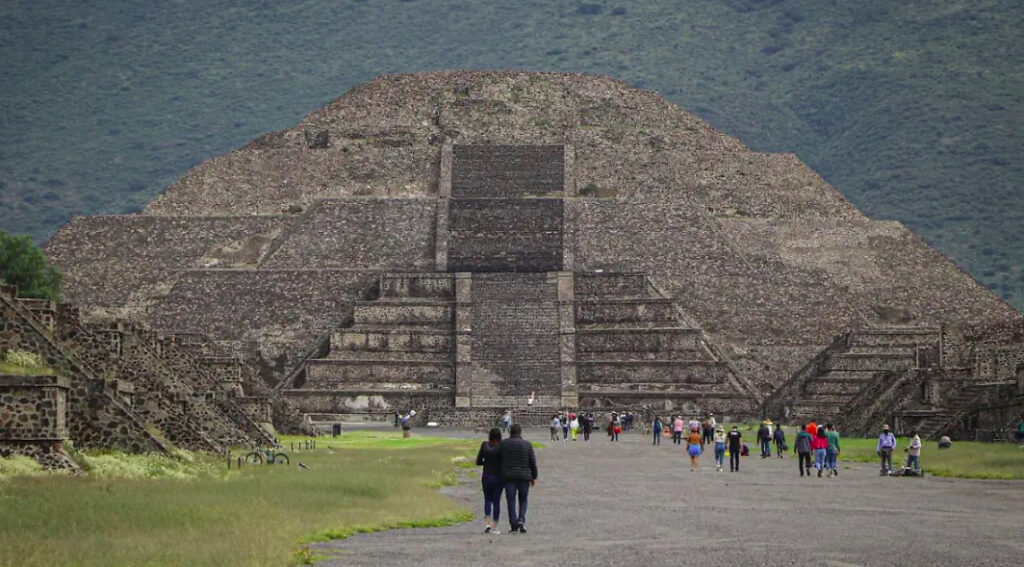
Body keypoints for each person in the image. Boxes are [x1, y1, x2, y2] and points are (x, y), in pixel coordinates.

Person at [500, 424, 537, 533]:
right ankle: (521, 519)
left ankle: (513, 524)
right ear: (520, 432)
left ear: (510, 431)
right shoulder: (527, 445)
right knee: (523, 499)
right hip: (524, 476)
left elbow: (499, 460)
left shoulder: (504, 444)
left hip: (509, 476)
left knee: (511, 501)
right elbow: (532, 462)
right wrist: (533, 476)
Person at [476, 428, 503, 534]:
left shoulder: (484, 445)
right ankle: (495, 526)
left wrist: (486, 463)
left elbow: (478, 461)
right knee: (496, 501)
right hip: (498, 476)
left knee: (487, 499)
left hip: (486, 475)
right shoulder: (501, 447)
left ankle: (487, 523)